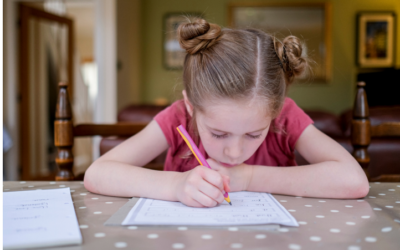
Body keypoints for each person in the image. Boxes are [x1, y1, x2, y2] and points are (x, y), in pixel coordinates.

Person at [84, 18, 369, 207]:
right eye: (219, 133)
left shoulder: (284, 117)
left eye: (255, 134)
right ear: (191, 107)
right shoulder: (177, 118)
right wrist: (176, 186)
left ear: (275, 112)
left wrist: (249, 178)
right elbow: (98, 173)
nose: (234, 152)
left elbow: (353, 181)